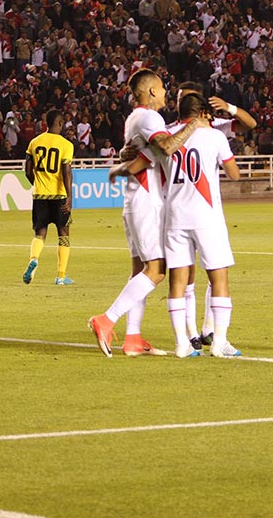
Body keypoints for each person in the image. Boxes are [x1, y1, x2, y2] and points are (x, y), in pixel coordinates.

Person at [88, 68, 205, 358]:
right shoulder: (151, 118)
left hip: (135, 199)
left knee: (139, 271)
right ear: (152, 90)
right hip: (148, 200)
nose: (165, 93)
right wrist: (194, 124)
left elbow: (146, 151)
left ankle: (133, 338)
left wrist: (127, 157)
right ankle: (106, 319)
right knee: (157, 270)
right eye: (162, 88)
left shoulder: (134, 118)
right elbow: (166, 146)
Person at [172, 81, 257, 349]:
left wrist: (230, 108)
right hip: (205, 213)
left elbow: (250, 124)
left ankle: (205, 332)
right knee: (209, 274)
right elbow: (234, 173)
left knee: (190, 277)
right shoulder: (211, 134)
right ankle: (199, 336)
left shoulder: (171, 133)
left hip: (176, 215)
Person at [21, 109, 75, 286]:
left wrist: (37, 183)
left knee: (40, 233)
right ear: (59, 123)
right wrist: (69, 197)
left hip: (40, 195)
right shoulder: (66, 145)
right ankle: (61, 276)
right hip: (59, 195)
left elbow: (27, 171)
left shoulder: (34, 142)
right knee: (63, 234)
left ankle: (34, 259)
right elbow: (66, 172)